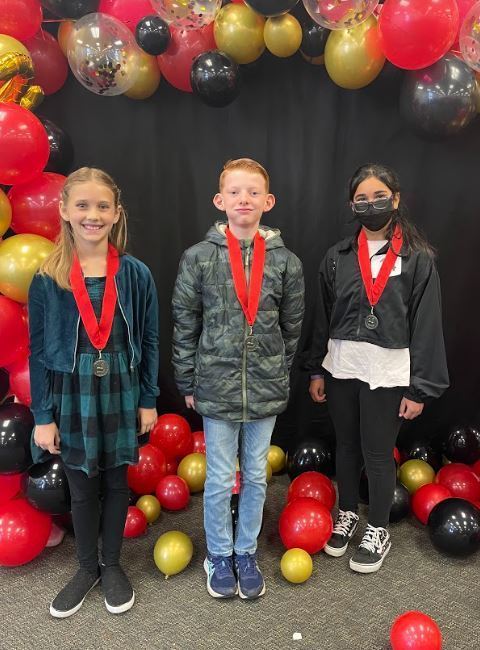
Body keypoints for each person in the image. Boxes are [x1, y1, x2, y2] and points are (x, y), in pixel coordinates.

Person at [305, 163, 448, 574]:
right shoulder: (337, 257)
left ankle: (378, 528)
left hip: (387, 372)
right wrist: (316, 370)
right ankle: (348, 512)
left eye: (379, 197)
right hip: (342, 366)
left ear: (396, 199)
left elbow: (427, 325)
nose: (371, 205)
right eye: (362, 200)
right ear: (352, 205)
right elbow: (322, 316)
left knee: (378, 452)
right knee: (346, 446)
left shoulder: (417, 258)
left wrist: (420, 388)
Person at [28, 167, 159, 617]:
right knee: (82, 486)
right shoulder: (48, 278)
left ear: (117, 213)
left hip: (121, 386)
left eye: (103, 206)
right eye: (82, 205)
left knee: (117, 482)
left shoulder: (136, 274)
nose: (93, 215)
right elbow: (38, 352)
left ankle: (113, 564)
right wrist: (43, 415)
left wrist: (148, 399)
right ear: (64, 210)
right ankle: (86, 567)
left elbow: (151, 340)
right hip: (72, 391)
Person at [172, 158, 304, 599]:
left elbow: (292, 328)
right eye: (234, 192)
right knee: (218, 478)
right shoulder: (199, 257)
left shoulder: (286, 262)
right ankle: (219, 554)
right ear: (220, 200)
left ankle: (246, 552)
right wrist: (188, 381)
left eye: (253, 192)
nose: (243, 199)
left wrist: (277, 372)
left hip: (265, 388)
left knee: (256, 476)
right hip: (216, 386)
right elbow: (185, 323)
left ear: (268, 201)